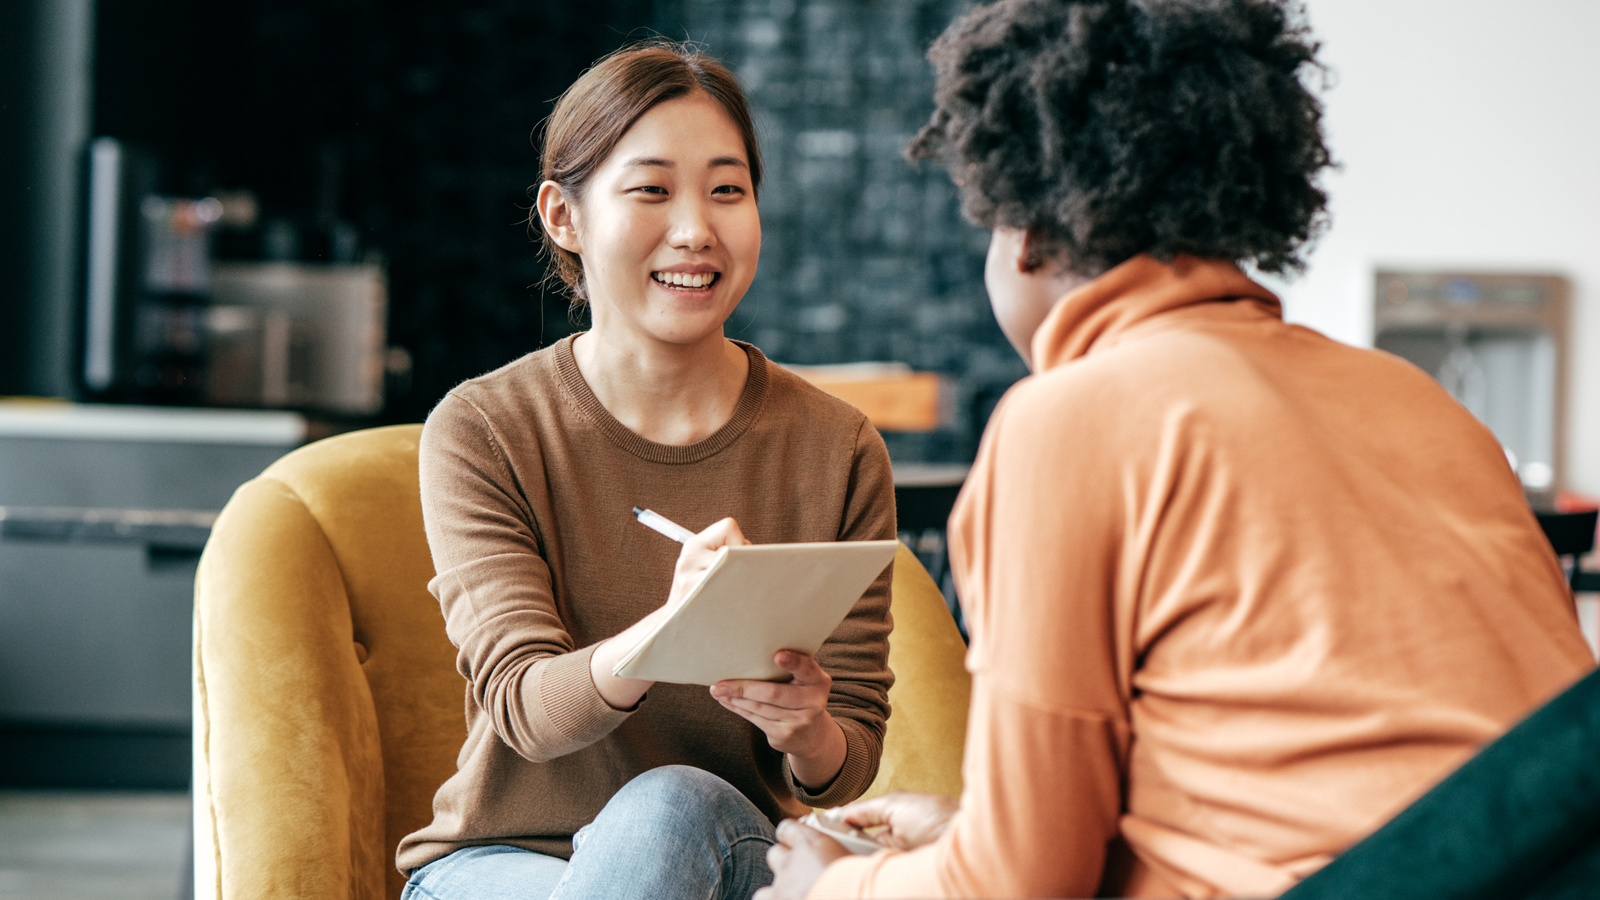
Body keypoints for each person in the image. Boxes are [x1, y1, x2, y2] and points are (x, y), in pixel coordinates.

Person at [760, 1, 1596, 898]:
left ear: (1031, 233)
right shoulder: (1417, 398)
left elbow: (1022, 889)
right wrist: (967, 831)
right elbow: (1327, 783)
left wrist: (837, 887)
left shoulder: (1066, 420)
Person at [394, 42, 896, 900]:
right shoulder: (485, 427)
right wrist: (680, 625)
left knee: (669, 810)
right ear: (563, 216)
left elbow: (844, 764)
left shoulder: (837, 447)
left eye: (727, 190)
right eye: (653, 190)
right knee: (650, 825)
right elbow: (524, 709)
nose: (697, 229)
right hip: (499, 868)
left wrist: (806, 727)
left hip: (725, 857)